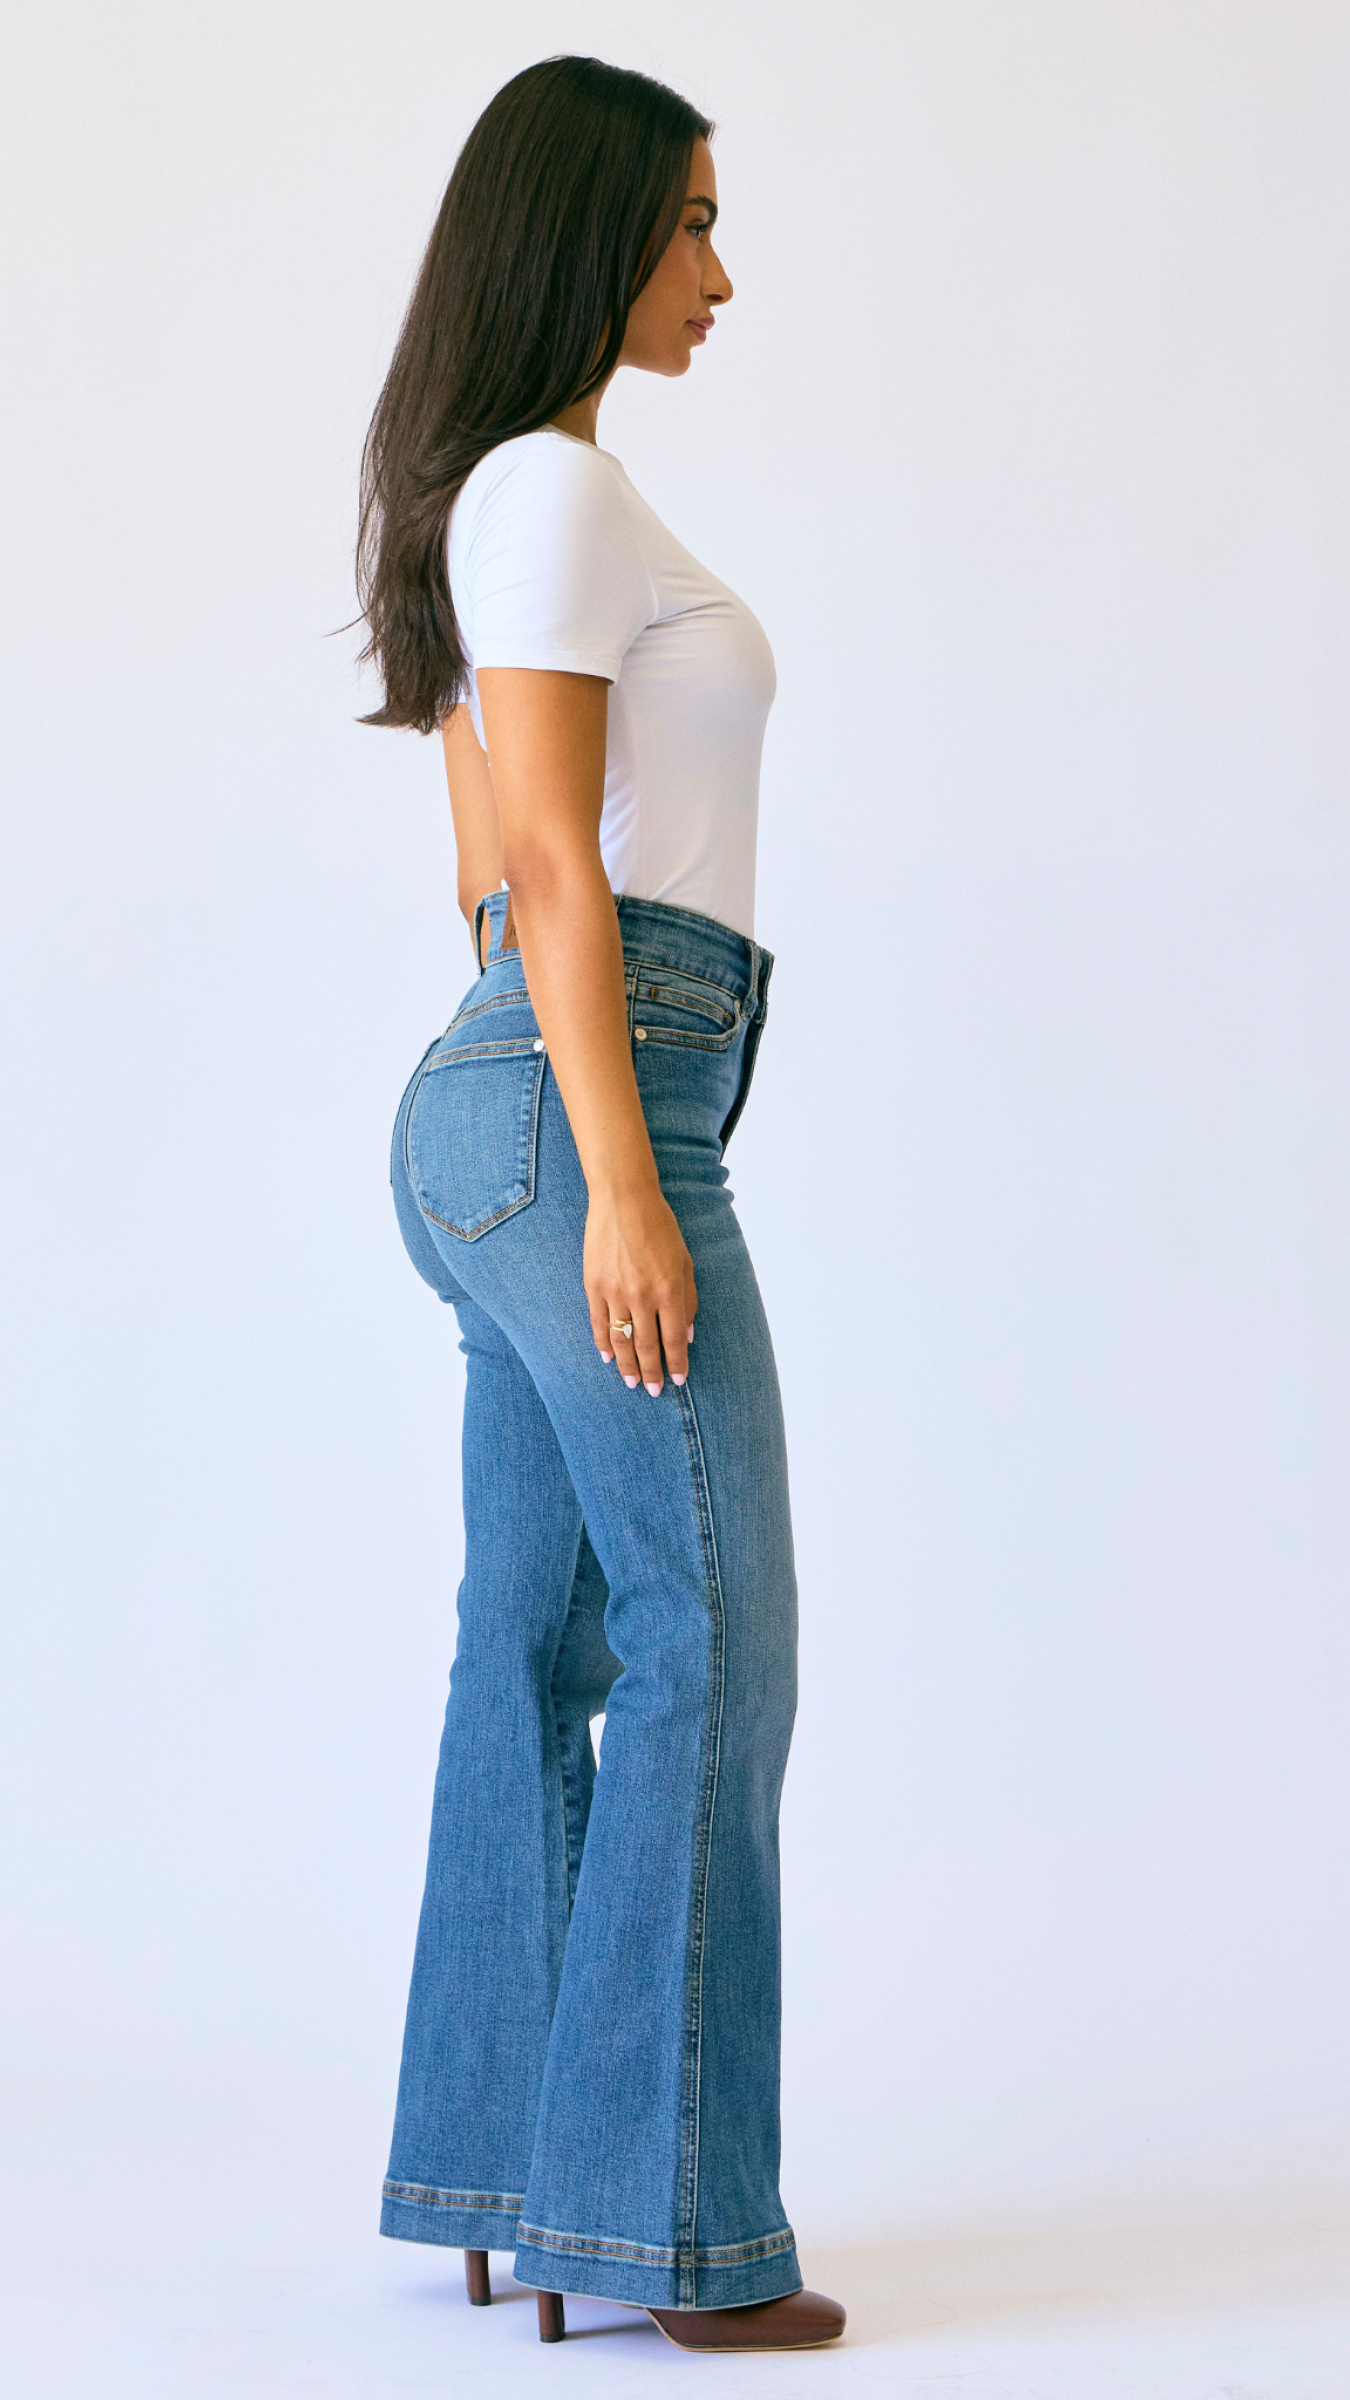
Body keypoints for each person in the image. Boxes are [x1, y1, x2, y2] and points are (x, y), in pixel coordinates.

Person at [356, 55, 844, 2354]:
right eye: (690, 229)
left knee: (535, 1641)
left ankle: (498, 2176)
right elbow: (549, 868)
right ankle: (661, 2231)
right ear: (588, 235)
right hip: (590, 1098)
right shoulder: (548, 492)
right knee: (710, 1641)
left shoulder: (494, 499)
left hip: (507, 1098)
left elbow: (479, 871)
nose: (721, 274)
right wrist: (628, 1191)